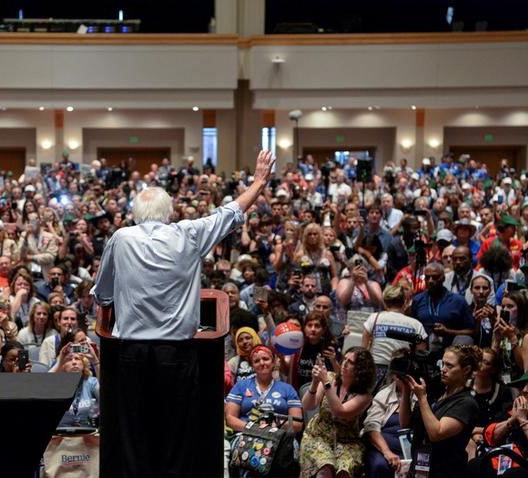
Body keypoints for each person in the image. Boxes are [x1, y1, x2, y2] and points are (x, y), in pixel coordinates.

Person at [92, 149, 276, 477]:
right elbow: (231, 211)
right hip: (175, 355)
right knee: (177, 434)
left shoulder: (120, 239)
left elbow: (103, 295)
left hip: (131, 354)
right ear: (169, 212)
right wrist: (259, 182)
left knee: (135, 433)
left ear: (136, 213)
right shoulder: (187, 234)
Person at [404, 344, 481, 478]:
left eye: (450, 366)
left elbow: (436, 433)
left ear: (466, 369)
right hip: (419, 467)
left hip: (445, 471)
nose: (443, 370)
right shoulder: (436, 392)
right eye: (443, 364)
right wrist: (405, 391)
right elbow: (405, 423)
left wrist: (422, 398)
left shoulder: (467, 403)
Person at [300, 346, 376, 478]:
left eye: (350, 362)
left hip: (347, 441)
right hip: (318, 436)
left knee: (344, 472)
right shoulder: (330, 377)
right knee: (325, 469)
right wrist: (315, 382)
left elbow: (339, 411)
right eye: (344, 359)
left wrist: (325, 382)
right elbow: (307, 405)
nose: (344, 364)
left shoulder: (365, 396)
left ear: (361, 369)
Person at [362, 349, 417, 478]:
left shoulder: (421, 395)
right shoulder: (384, 395)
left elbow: (407, 424)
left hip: (411, 449)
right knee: (379, 465)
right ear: (393, 374)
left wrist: (406, 392)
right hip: (383, 450)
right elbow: (371, 427)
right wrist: (387, 452)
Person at [361, 285, 427, 390]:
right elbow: (421, 355)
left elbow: (363, 351)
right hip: (402, 375)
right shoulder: (416, 324)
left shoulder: (374, 318)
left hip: (375, 373)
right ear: (405, 302)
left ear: (385, 302)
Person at [225, 345, 303, 433]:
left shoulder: (287, 389)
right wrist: (255, 429)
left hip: (278, 437)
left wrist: (273, 426)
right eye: (257, 361)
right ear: (252, 365)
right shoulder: (241, 386)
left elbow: (297, 424)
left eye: (266, 359)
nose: (262, 363)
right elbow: (230, 419)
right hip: (246, 437)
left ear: (273, 362)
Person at [466, 371, 528, 478]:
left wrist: (522, 420)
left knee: (513, 475)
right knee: (475, 466)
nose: (525, 390)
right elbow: (490, 437)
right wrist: (511, 420)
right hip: (500, 459)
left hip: (523, 465)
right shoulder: (509, 410)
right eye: (522, 386)